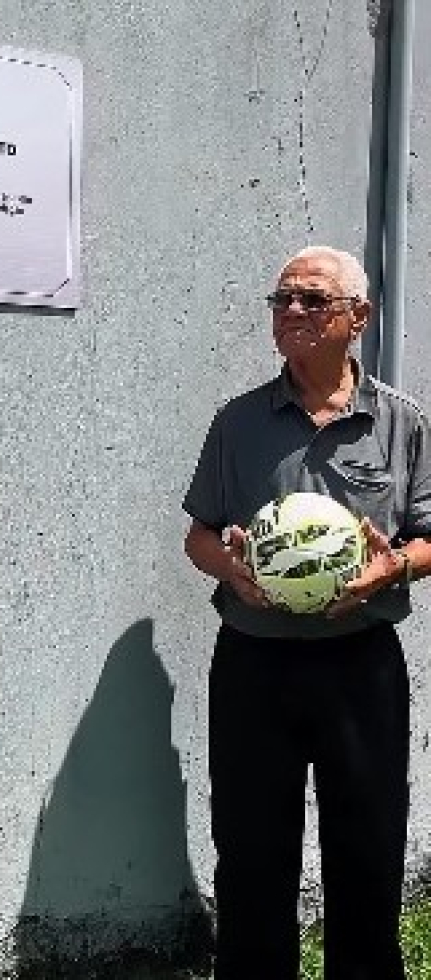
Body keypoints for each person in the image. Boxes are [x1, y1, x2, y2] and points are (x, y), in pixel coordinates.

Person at [183, 245, 431, 980]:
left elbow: (428, 535)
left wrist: (395, 564)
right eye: (281, 300)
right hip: (255, 662)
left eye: (312, 300)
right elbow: (198, 534)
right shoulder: (237, 423)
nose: (291, 312)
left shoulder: (400, 423)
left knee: (368, 845)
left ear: (358, 318)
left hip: (362, 665)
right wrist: (232, 565)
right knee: (253, 848)